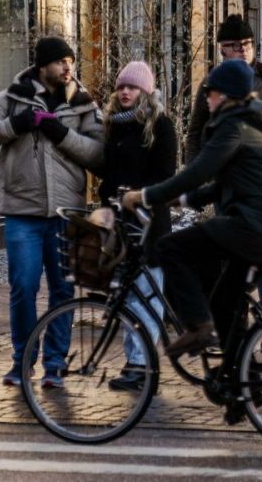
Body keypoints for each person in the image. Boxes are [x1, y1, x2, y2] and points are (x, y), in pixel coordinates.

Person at [121, 60, 262, 368]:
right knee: (225, 303)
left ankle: (197, 327)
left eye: (210, 93)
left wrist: (146, 195)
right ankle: (242, 383)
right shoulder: (255, 124)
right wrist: (181, 200)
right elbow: (221, 186)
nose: (206, 99)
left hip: (252, 226)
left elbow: (199, 171)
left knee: (169, 248)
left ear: (226, 95)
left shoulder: (235, 125)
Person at [0, 36, 105, 389]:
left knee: (62, 290)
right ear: (43, 66)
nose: (68, 67)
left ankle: (55, 364)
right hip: (22, 212)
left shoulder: (84, 104)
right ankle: (22, 360)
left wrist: (61, 134)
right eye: (61, 61)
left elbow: (100, 155)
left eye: (70, 61)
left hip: (65, 212)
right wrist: (15, 125)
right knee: (23, 287)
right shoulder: (12, 98)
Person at [96, 61, 178, 394]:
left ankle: (141, 363)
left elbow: (164, 177)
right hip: (121, 224)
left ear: (146, 91)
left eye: (132, 87)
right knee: (128, 296)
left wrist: (137, 196)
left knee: (145, 295)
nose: (125, 92)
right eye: (121, 87)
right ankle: (135, 362)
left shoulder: (160, 126)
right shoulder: (114, 126)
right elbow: (107, 174)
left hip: (149, 224)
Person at [186, 14, 262, 153]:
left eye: (248, 43)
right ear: (223, 50)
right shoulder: (212, 84)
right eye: (236, 45)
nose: (244, 49)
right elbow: (195, 134)